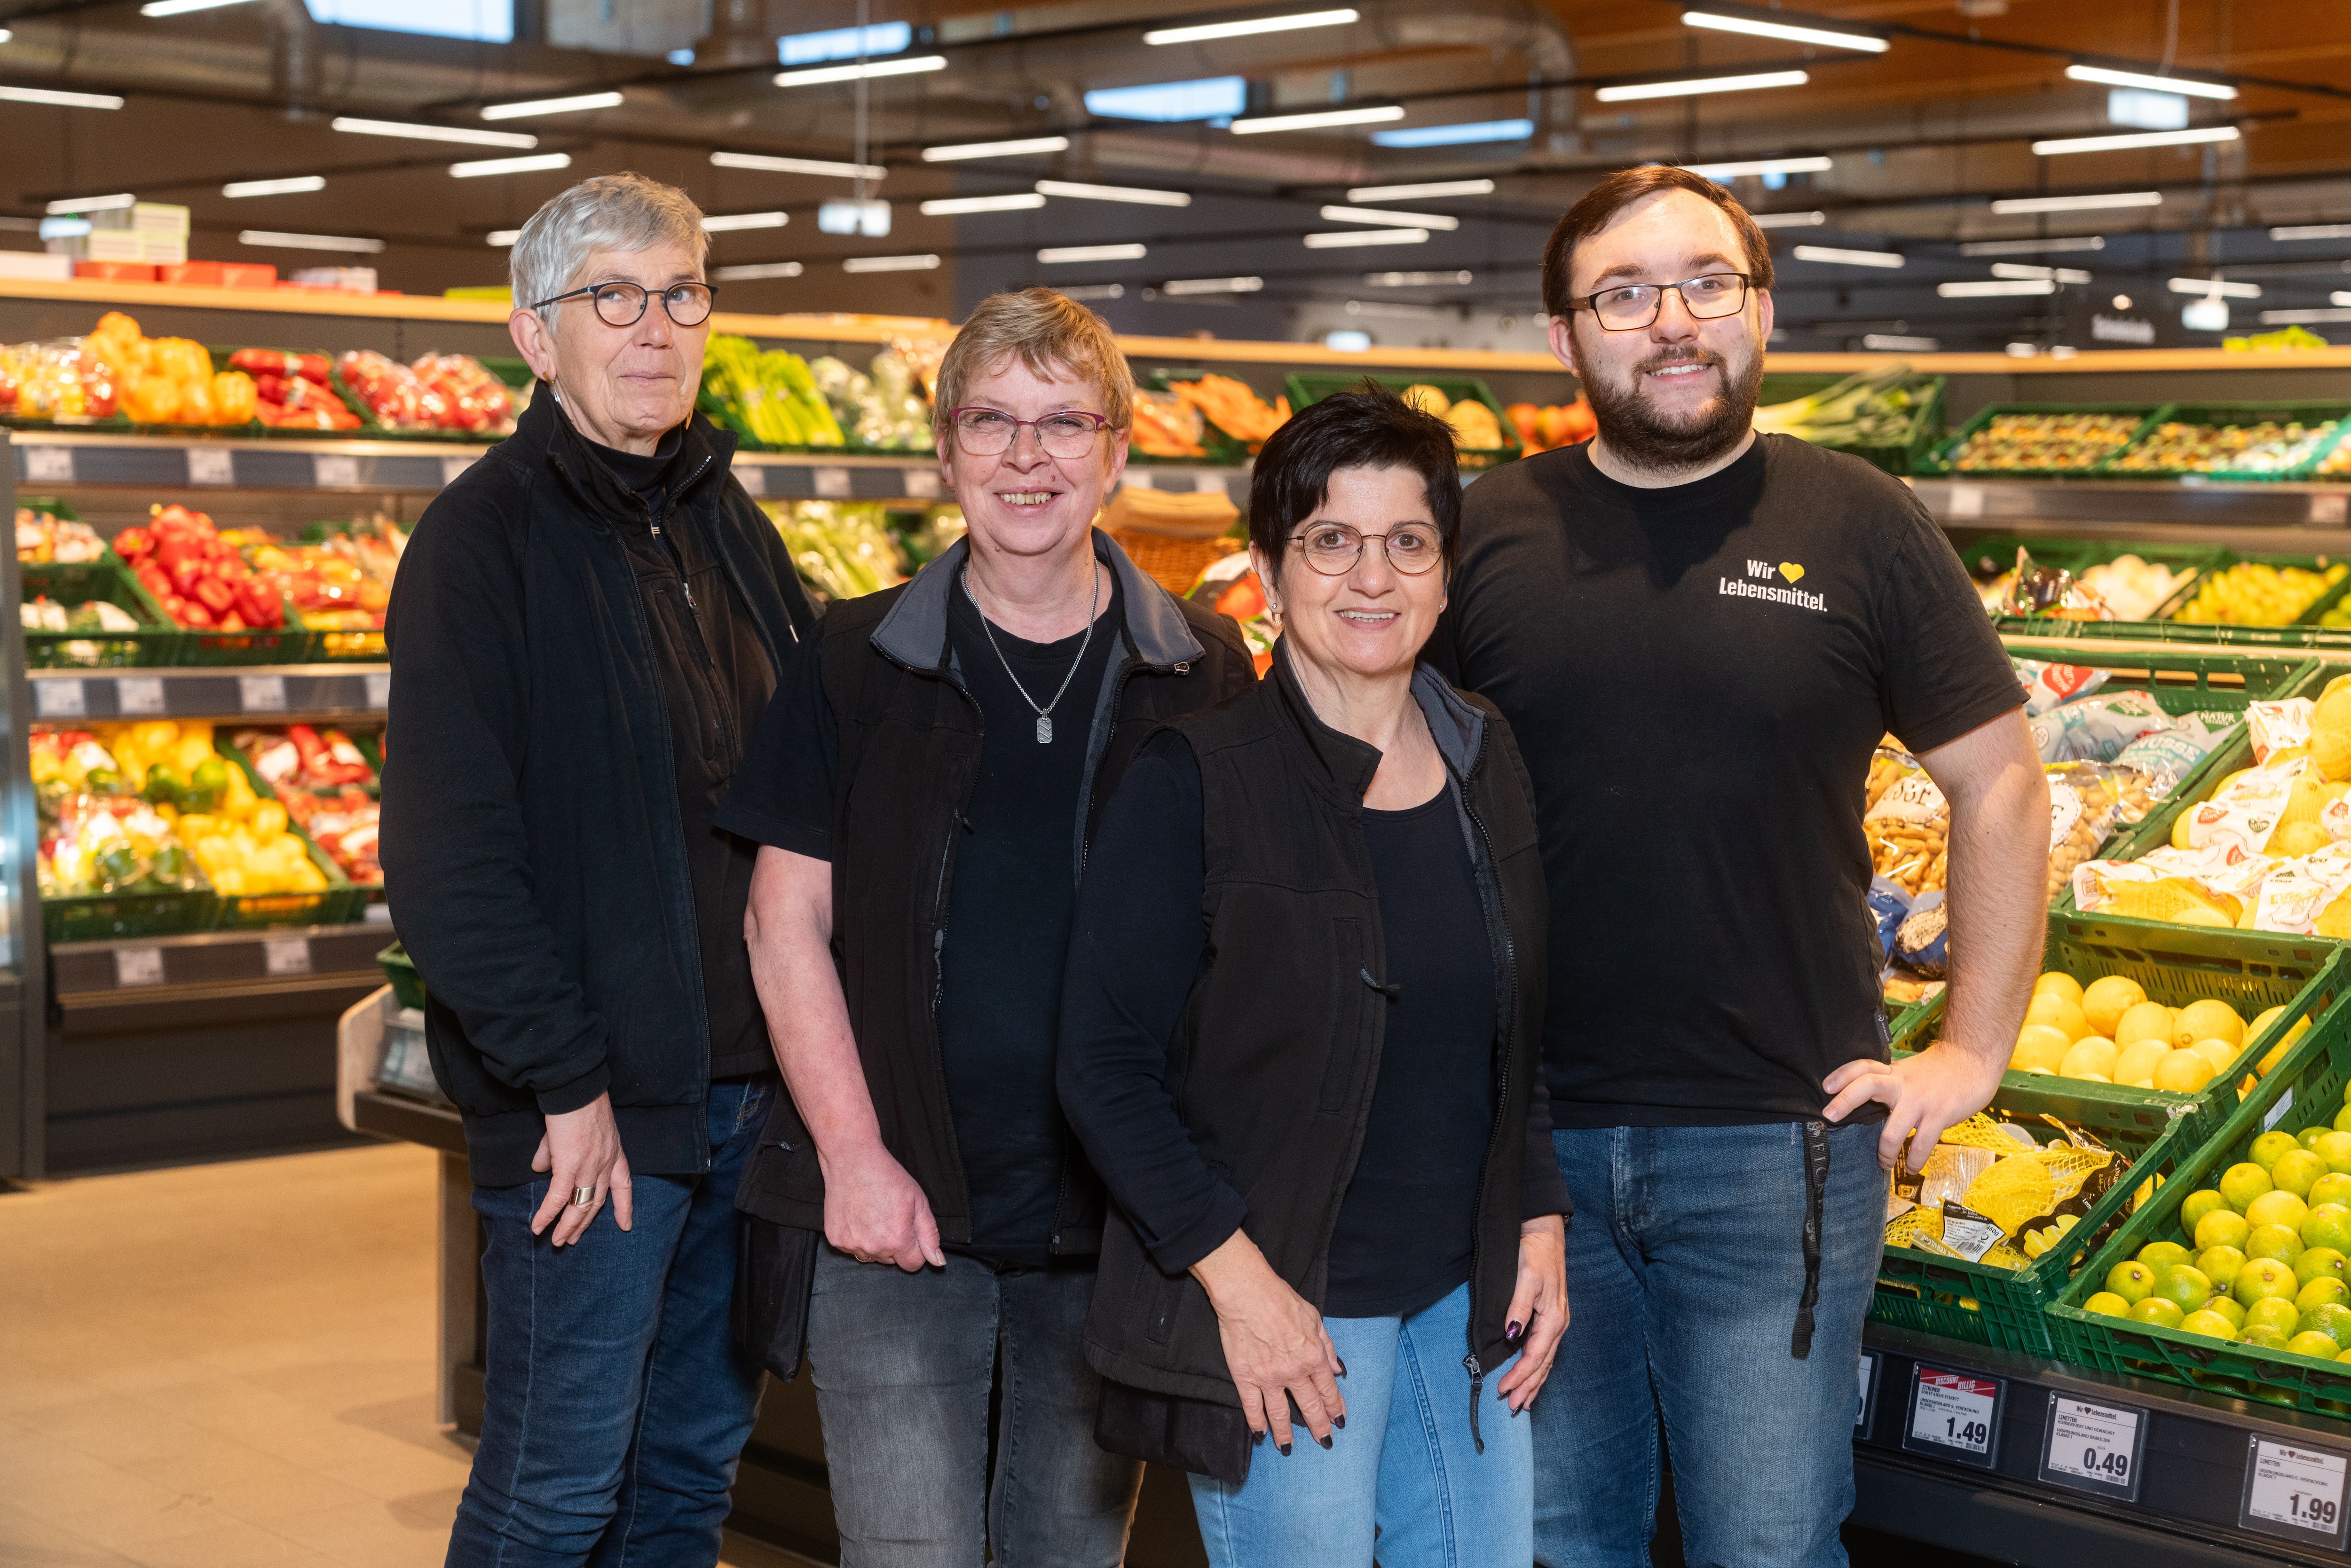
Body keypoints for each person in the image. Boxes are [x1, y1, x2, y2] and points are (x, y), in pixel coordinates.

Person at [1426, 163, 2050, 1568]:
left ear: (1761, 312)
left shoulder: (1861, 522)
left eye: (1708, 284)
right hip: (1528, 1155)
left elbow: (2001, 779)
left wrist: (1973, 1054)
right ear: (1565, 336)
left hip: (1782, 1153)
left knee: (1766, 1547)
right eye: (1626, 293)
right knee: (1560, 1545)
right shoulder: (1480, 535)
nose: (1672, 321)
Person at [718, 288, 1256, 1567]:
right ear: (947, 447)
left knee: (1067, 1557)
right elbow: (781, 923)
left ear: (1118, 452)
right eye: (994, 422)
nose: (1029, 459)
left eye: (1064, 423)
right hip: (899, 1222)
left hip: (1116, 1223)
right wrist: (852, 1160)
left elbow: (1248, 945)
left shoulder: (1206, 669)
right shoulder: (853, 659)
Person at [381, 173, 818, 1566]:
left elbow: (802, 785)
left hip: (742, 1110)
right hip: (593, 1127)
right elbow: (447, 861)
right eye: (612, 298)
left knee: (687, 1484)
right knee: (553, 1492)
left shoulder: (730, 528)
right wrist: (563, 1082)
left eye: (681, 294)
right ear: (536, 336)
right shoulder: (480, 543)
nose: (653, 329)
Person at [1058, 387, 1571, 1568]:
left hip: (1464, 1302)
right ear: (1268, 573)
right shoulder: (1194, 777)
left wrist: (1537, 1212)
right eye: (1329, 542)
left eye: (1407, 543)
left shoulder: (1483, 754)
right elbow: (1100, 1067)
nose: (1371, 579)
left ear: (1446, 576)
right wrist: (1240, 1290)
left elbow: (1516, 1021)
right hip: (1289, 1298)